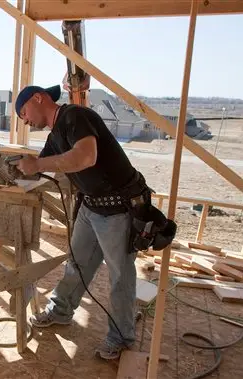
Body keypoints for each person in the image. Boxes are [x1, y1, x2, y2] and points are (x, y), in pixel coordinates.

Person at [14, 84, 151, 360]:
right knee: (77, 263)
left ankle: (122, 336)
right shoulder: (55, 135)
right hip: (91, 206)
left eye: (24, 113)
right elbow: (41, 167)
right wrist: (6, 172)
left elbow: (86, 156)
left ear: (38, 98)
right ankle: (61, 311)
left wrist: (38, 166)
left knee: (120, 276)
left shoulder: (75, 116)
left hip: (119, 208)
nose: (26, 121)